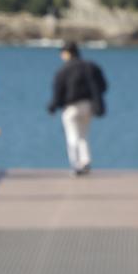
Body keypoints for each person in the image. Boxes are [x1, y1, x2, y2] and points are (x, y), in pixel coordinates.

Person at [48, 41, 107, 175]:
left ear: (67, 53)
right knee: (84, 135)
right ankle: (85, 161)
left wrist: (52, 107)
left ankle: (76, 164)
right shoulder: (91, 67)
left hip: (71, 107)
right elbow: (103, 86)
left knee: (72, 136)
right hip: (88, 106)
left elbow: (58, 92)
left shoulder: (63, 70)